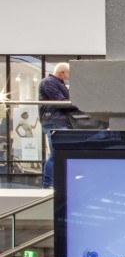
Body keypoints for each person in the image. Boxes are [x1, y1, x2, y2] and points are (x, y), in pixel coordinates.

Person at [38, 63, 75, 191]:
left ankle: (54, 183)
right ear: (62, 73)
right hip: (54, 120)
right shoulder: (49, 82)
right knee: (56, 153)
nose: (68, 78)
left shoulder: (56, 83)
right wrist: (77, 103)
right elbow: (61, 102)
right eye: (68, 75)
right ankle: (48, 185)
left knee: (61, 152)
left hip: (57, 121)